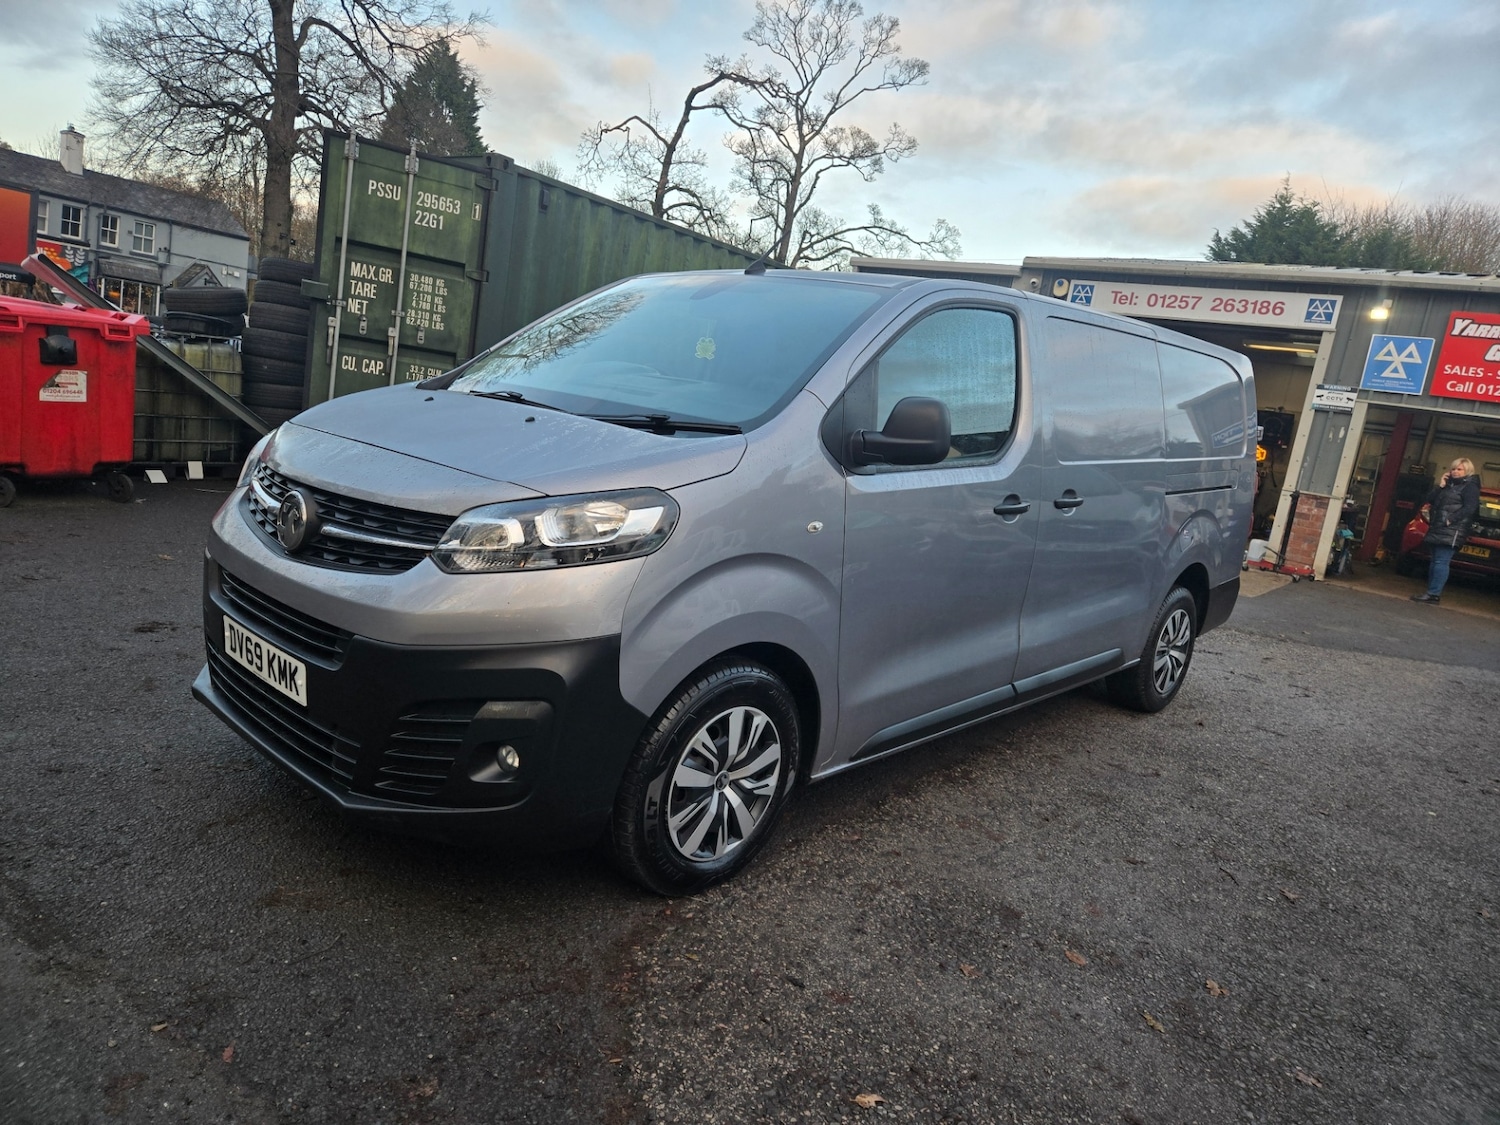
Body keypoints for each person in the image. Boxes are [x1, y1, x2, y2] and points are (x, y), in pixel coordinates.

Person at [1411, 457, 1480, 604]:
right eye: (1453, 469)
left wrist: (1451, 519)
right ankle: (1431, 592)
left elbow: (1470, 508)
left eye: (1459, 469)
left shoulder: (1470, 487)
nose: (1455, 472)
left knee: (1441, 562)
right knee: (1435, 561)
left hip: (1451, 530)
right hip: (1438, 528)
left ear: (1467, 471)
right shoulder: (1449, 486)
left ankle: (1433, 594)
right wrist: (1441, 485)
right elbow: (1429, 499)